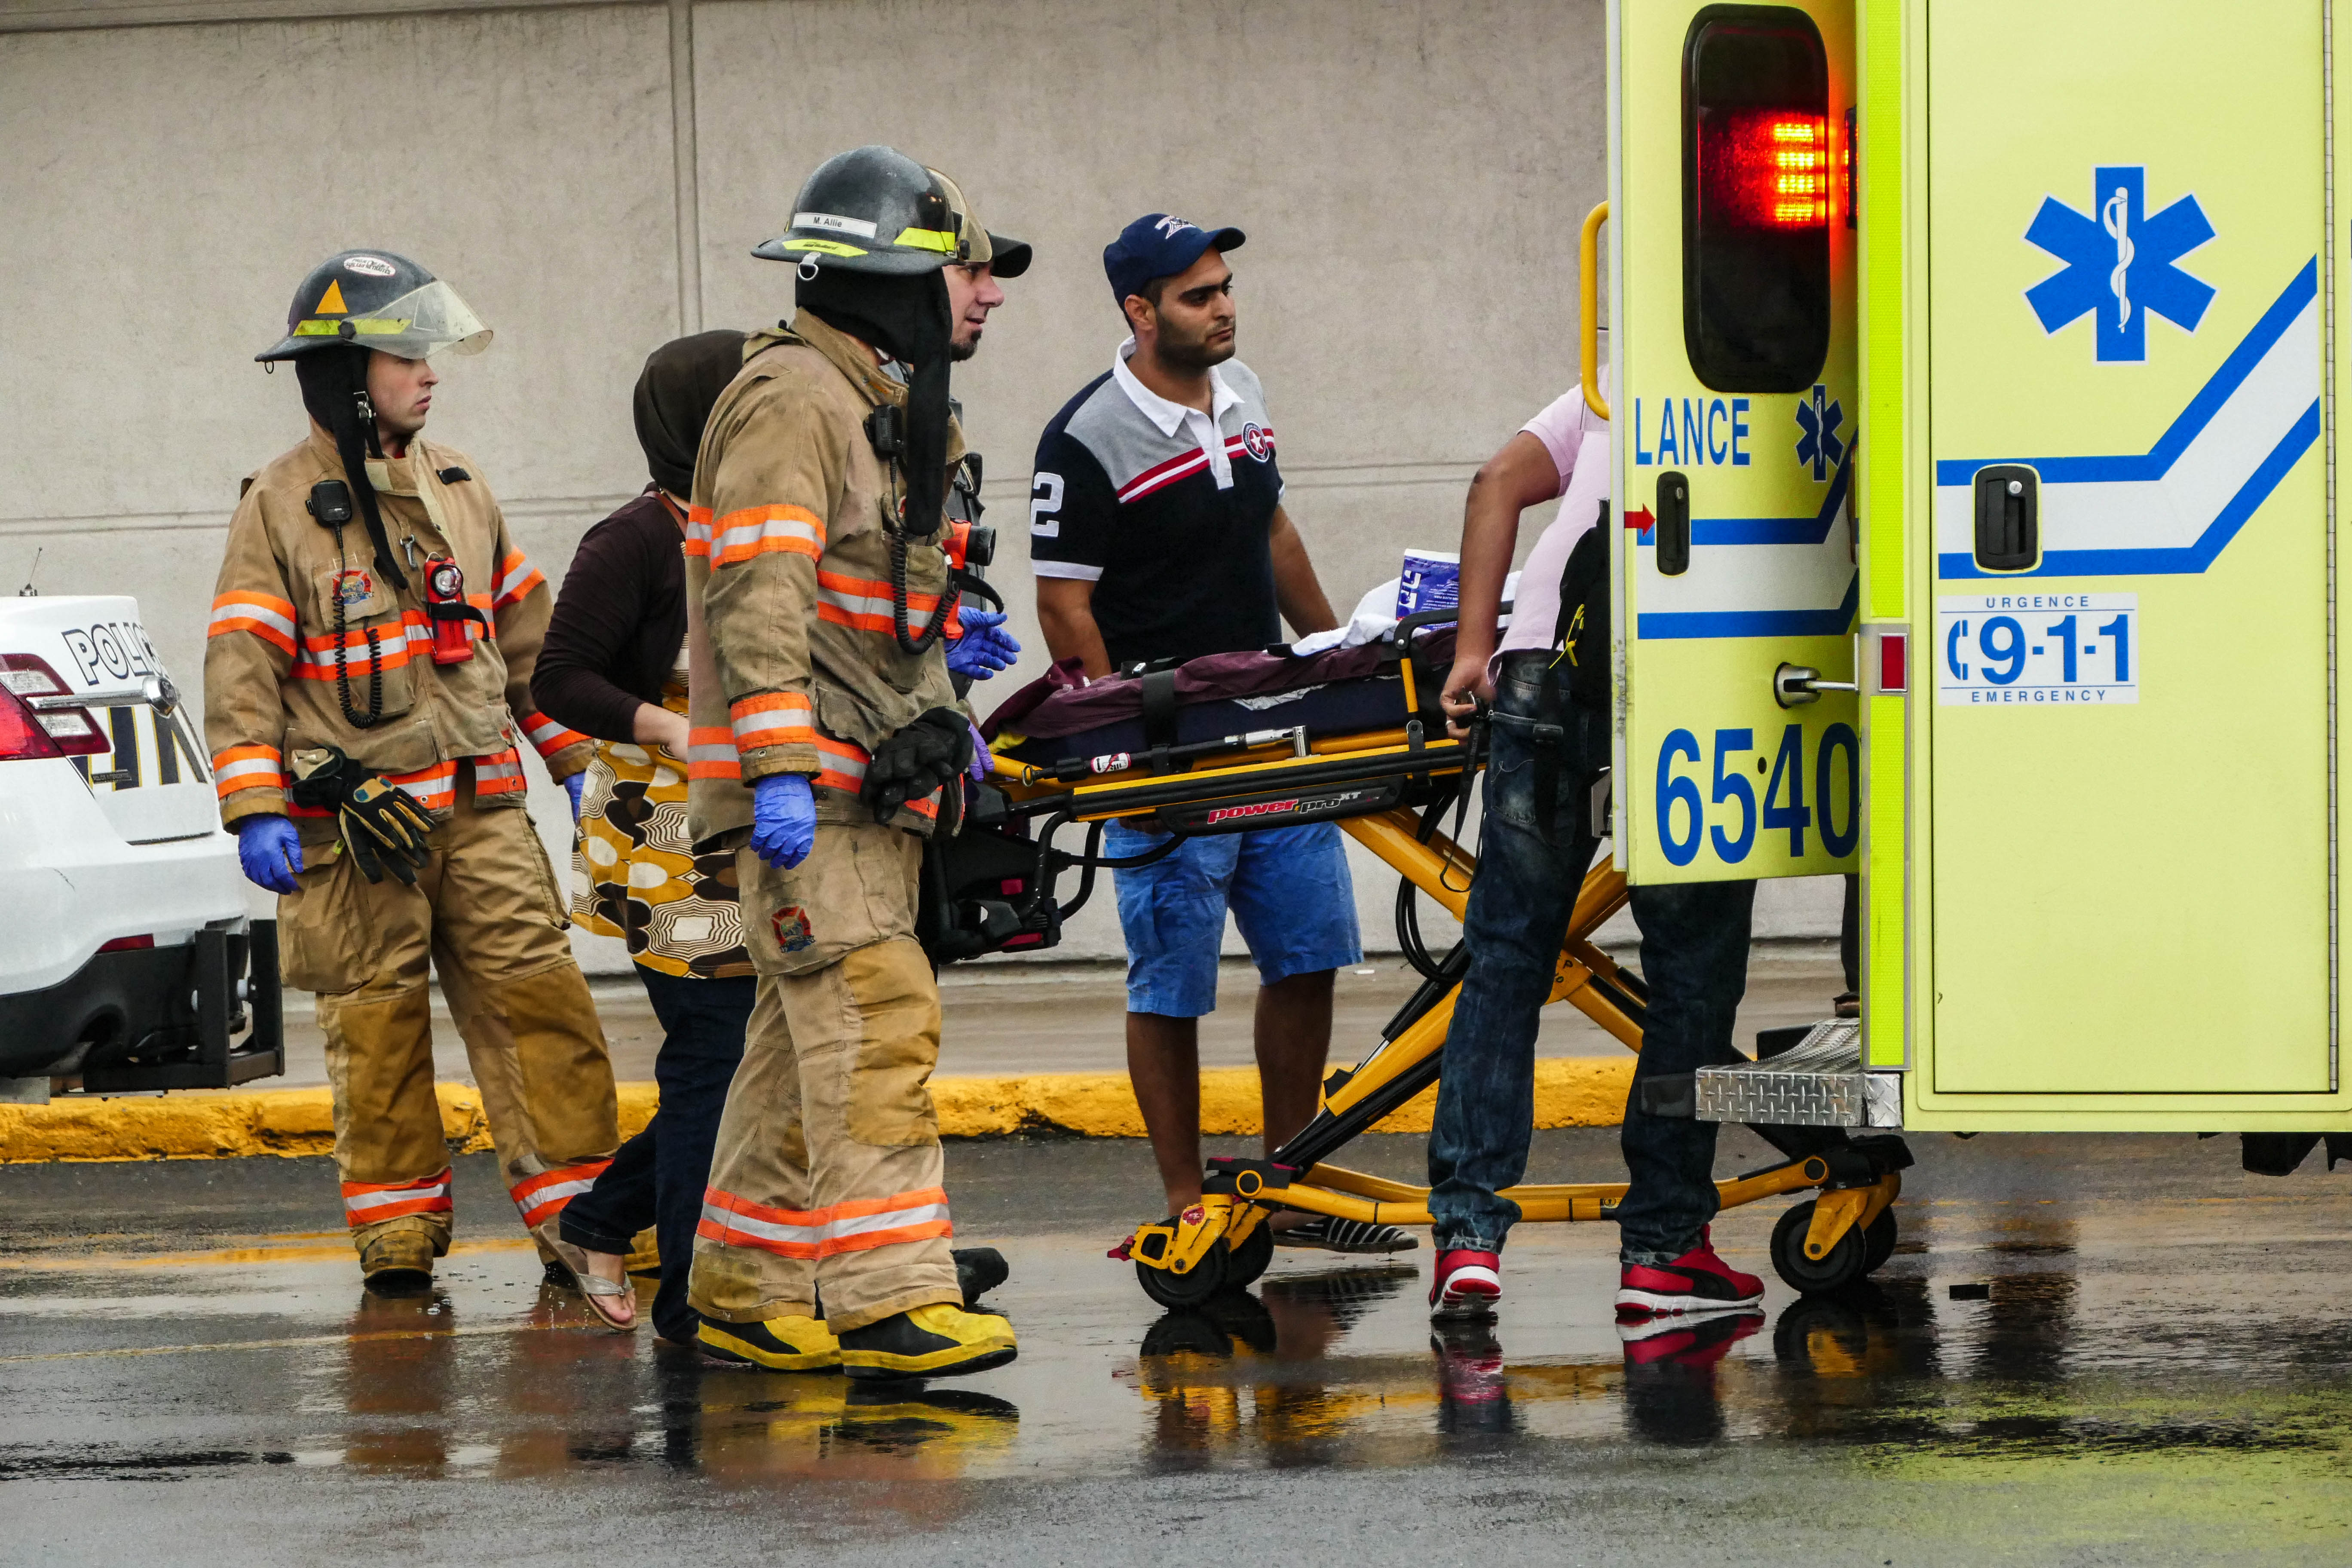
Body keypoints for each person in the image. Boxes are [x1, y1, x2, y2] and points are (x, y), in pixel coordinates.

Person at [206, 250, 619, 1294]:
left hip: (483, 822)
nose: (429, 374)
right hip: (358, 839)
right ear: (347, 374)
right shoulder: (280, 506)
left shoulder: (461, 488)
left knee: (545, 1010)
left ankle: (584, 1218)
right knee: (376, 1030)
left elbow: (526, 649)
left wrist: (574, 760)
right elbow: (243, 664)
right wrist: (256, 806)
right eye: (405, 355)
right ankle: (397, 1234)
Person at [681, 146, 1023, 1380]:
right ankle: (890, 1301)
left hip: (855, 788)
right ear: (891, 276)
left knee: (793, 1046)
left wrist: (943, 711)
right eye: (965, 271)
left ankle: (741, 1284)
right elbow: (757, 594)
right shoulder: (794, 400)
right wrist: (775, 766)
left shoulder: (869, 398)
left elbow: (867, 612)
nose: (986, 294)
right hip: (808, 799)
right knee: (877, 1023)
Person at [1028, 213, 1408, 1255]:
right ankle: (1189, 1199)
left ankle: (1290, 1182)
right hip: (1171, 747)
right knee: (1172, 981)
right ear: (1140, 312)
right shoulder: (1084, 436)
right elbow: (1065, 606)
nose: (1225, 307)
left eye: (1226, 287)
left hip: (1278, 728)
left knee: (1307, 957)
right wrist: (1120, 732)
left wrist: (1334, 653)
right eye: (1199, 296)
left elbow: (1272, 531)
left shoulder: (1244, 397)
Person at [1427, 377, 1764, 1323]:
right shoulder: (1788, 374)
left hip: (1547, 665)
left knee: (1507, 958)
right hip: (1692, 669)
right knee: (1690, 973)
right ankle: (1662, 1250)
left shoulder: (1624, 372)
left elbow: (1494, 481)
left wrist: (1470, 651)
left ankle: (1468, 1240)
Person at [527, 329, 755, 1338]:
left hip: (739, 825)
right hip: (661, 835)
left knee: (743, 1051)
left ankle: (600, 1222)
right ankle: (689, 1297)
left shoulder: (756, 525)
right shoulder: (632, 540)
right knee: (712, 1048)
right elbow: (558, 676)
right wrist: (669, 725)